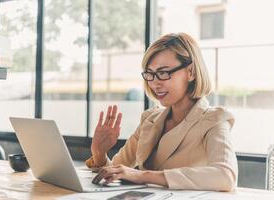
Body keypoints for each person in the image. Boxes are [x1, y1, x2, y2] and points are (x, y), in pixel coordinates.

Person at [85, 33, 237, 192]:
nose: (154, 83)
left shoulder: (214, 120)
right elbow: (116, 171)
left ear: (191, 72)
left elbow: (225, 176)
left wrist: (143, 175)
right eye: (149, 74)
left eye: (163, 73)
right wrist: (99, 154)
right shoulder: (150, 119)